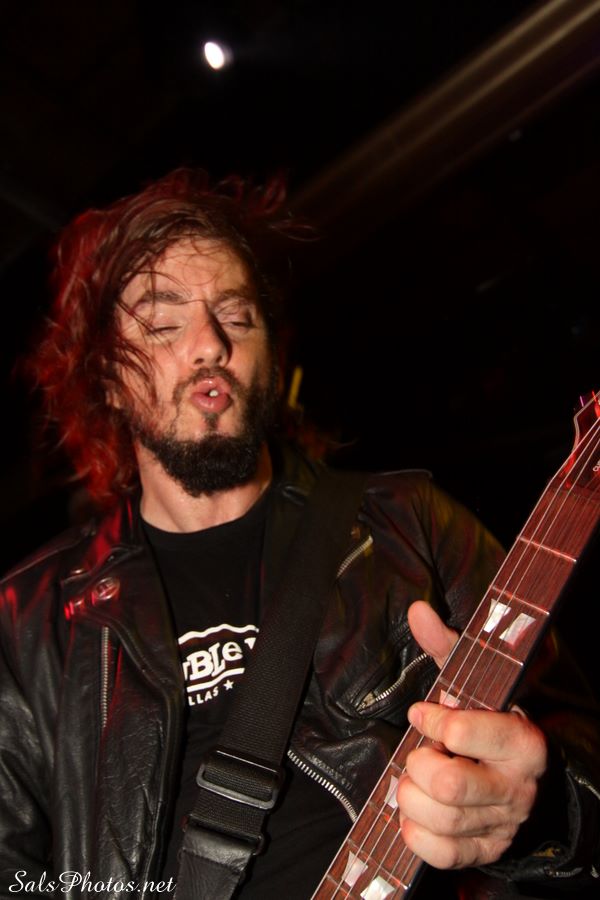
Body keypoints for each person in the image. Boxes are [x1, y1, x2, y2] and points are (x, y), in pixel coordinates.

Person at [0, 167, 599, 900]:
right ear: (107, 379)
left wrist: (543, 809)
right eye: (162, 323)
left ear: (271, 356)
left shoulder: (408, 522)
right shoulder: (27, 622)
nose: (209, 343)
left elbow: (580, 747)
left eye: (237, 315)